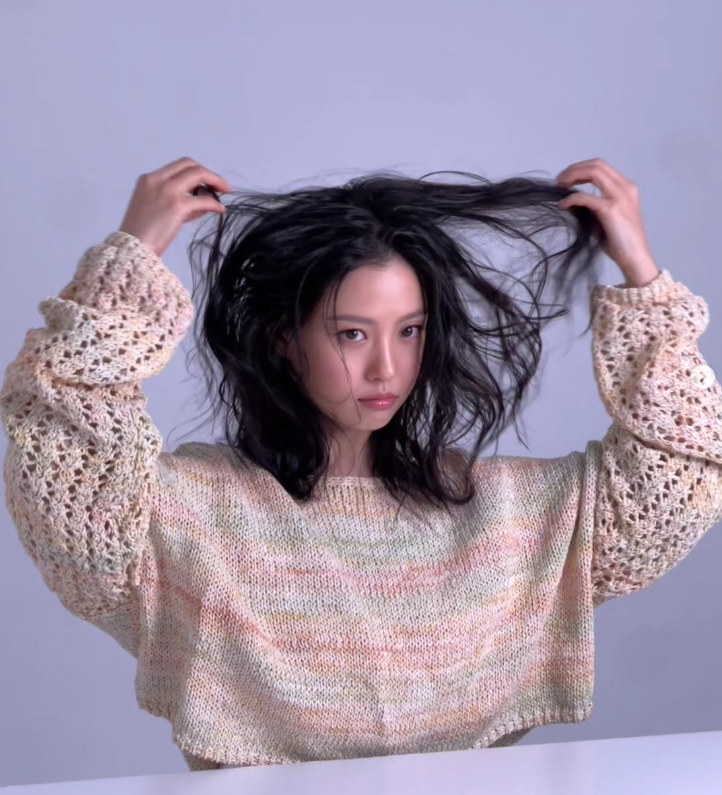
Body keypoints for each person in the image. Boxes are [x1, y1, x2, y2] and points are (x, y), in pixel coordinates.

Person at [2, 157, 720, 772]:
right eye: (351, 333)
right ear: (283, 338)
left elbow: (682, 468)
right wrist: (131, 256)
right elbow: (58, 455)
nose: (386, 367)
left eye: (409, 331)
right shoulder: (187, 511)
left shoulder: (504, 512)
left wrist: (641, 277)